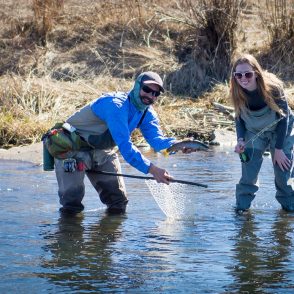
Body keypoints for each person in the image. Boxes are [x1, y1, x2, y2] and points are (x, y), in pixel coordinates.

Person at [54, 71, 193, 215]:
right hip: (72, 149)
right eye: (146, 90)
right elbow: (125, 146)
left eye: (155, 94)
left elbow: (158, 142)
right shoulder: (116, 105)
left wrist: (178, 144)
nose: (150, 96)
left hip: (102, 152)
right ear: (137, 86)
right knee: (72, 205)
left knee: (118, 202)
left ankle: (111, 236)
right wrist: (153, 170)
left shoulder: (147, 113)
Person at [230, 54, 294, 213]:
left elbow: (284, 119)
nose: (243, 78)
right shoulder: (236, 91)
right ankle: (241, 210)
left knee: (282, 174)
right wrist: (240, 140)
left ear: (256, 73)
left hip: (281, 130)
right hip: (254, 131)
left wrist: (278, 149)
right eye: (239, 75)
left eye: (248, 74)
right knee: (248, 175)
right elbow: (239, 118)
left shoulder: (273, 88)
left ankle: (289, 210)